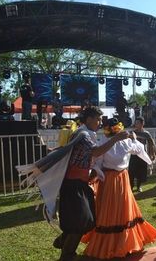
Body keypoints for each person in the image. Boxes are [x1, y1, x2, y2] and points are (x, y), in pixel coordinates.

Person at [16, 106, 129, 261]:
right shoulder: (83, 134)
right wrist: (116, 138)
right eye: (98, 119)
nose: (100, 122)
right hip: (73, 184)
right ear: (88, 119)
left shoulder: (87, 133)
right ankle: (67, 255)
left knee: (86, 220)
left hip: (79, 184)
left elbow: (88, 158)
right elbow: (95, 152)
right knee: (81, 221)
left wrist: (93, 171)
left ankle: (63, 241)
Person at [81, 118, 156, 259]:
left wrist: (97, 175)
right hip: (122, 178)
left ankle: (109, 244)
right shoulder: (126, 142)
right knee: (123, 208)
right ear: (118, 128)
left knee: (109, 209)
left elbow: (96, 163)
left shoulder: (103, 143)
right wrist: (135, 140)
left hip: (109, 179)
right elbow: (139, 150)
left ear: (106, 129)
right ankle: (124, 242)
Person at [128, 116, 156, 192]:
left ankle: (139, 186)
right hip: (134, 155)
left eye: (138, 123)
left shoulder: (146, 134)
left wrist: (151, 155)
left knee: (141, 171)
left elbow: (151, 144)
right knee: (131, 172)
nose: (136, 125)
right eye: (135, 123)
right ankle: (131, 186)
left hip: (143, 155)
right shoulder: (132, 133)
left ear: (142, 124)